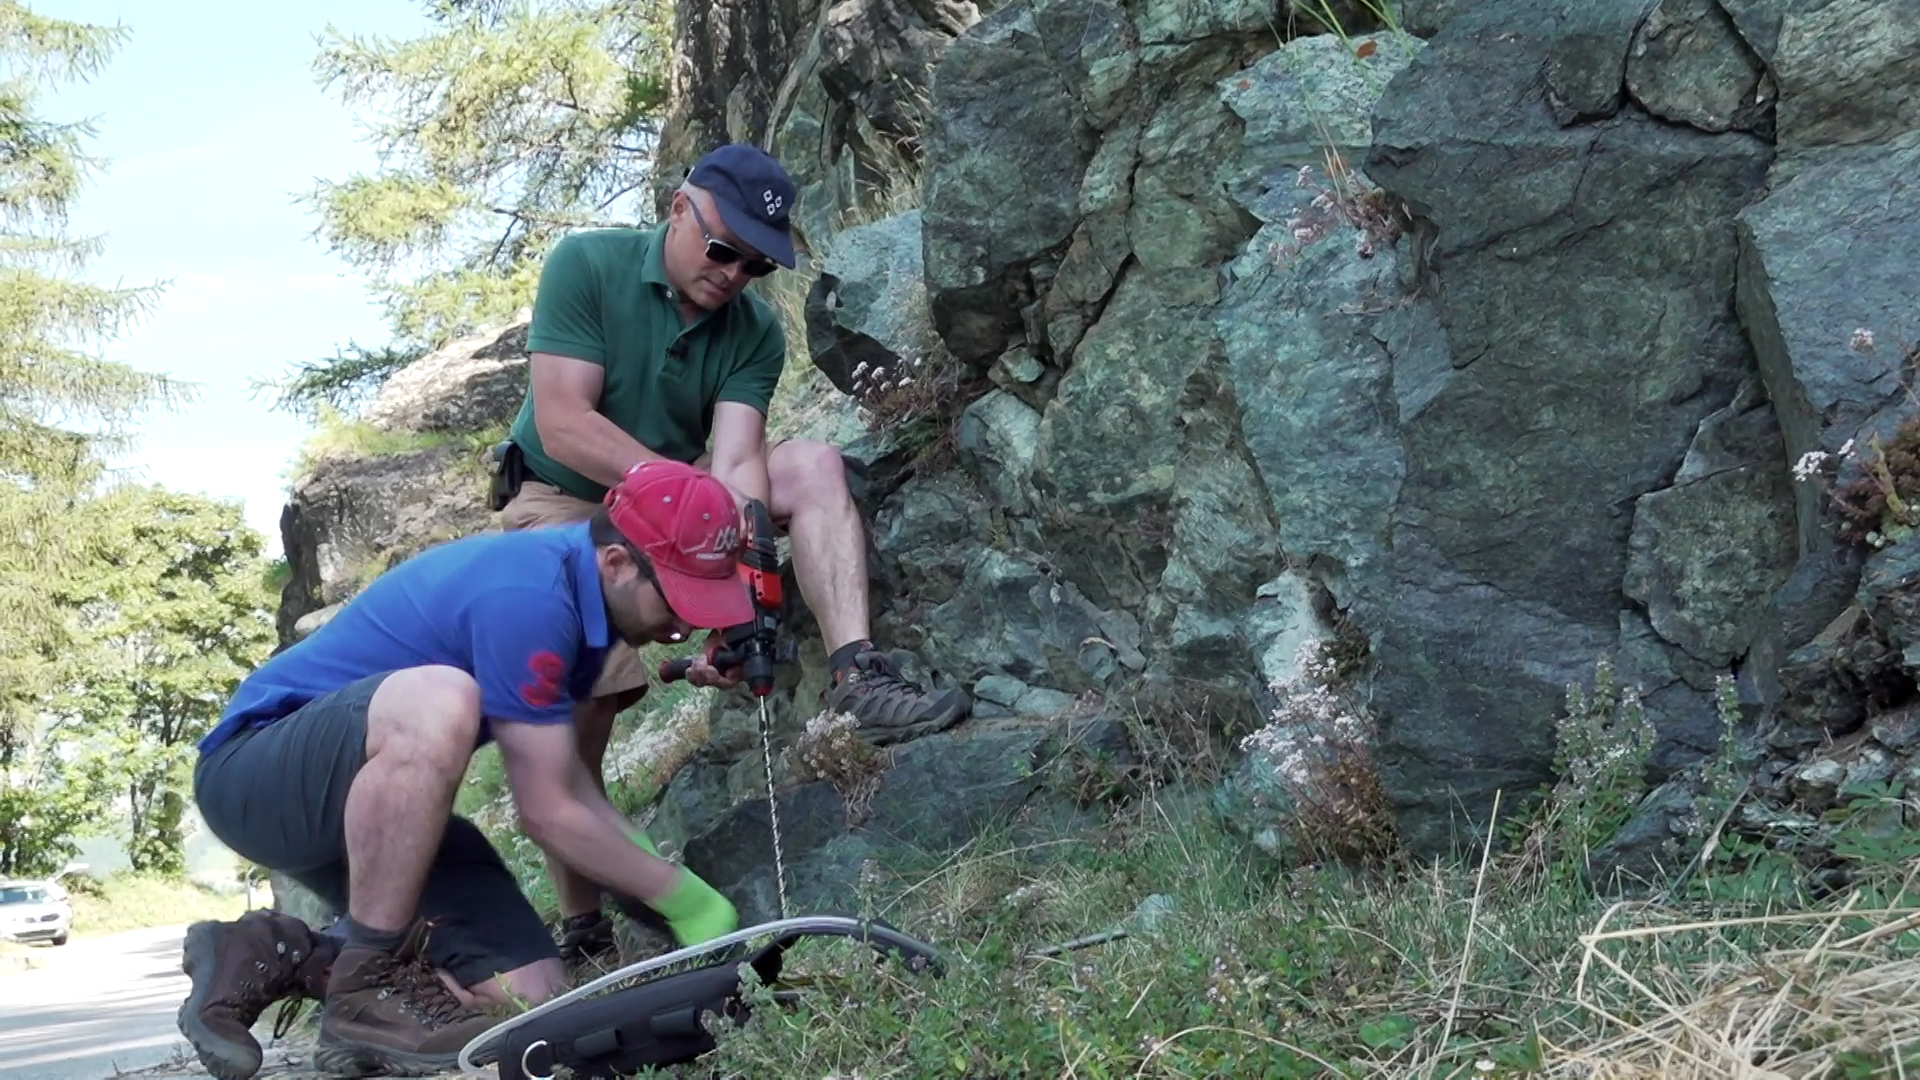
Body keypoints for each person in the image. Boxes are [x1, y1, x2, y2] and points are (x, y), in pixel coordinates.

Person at [493, 141, 972, 938]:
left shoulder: (752, 332)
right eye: (723, 250)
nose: (735, 274)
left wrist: (742, 602)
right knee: (591, 700)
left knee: (814, 466)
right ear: (681, 206)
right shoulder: (586, 265)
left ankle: (858, 677)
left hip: (684, 489)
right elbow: (565, 423)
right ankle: (583, 920)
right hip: (563, 499)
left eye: (757, 266)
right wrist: (684, 499)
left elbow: (741, 460)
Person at [177, 461, 750, 1080]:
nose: (684, 624)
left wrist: (663, 894)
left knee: (529, 991)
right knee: (443, 701)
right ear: (616, 563)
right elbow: (546, 810)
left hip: (376, 815)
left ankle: (287, 953)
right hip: (255, 774)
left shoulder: (585, 612)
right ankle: (366, 984)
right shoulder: (530, 597)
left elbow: (573, 790)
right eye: (675, 594)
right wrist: (685, 899)